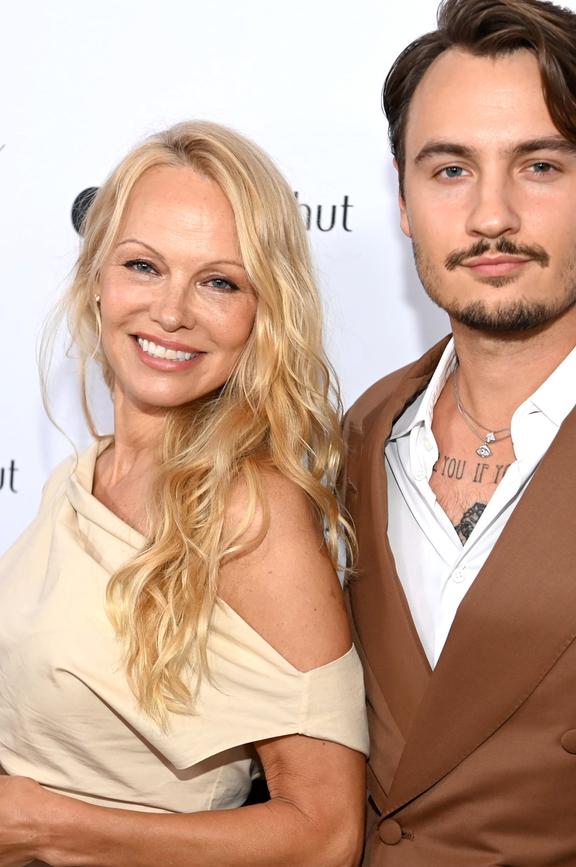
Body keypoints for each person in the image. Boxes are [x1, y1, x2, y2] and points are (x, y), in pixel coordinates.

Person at [0, 121, 368, 866]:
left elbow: (326, 833)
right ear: (98, 278)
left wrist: (49, 826)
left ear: (262, 311)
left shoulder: (249, 511)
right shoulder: (82, 475)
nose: (171, 312)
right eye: (143, 266)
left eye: (219, 281)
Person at [344, 0, 576, 863]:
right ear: (402, 195)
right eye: (449, 170)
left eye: (540, 165)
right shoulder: (354, 439)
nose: (490, 217)